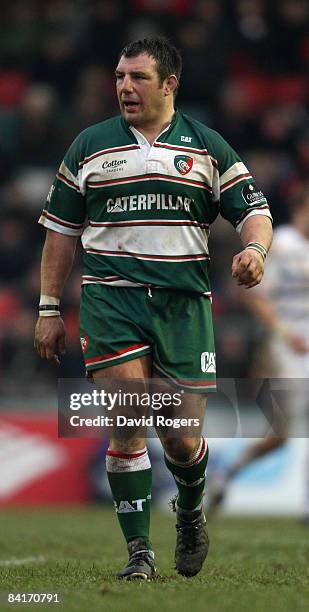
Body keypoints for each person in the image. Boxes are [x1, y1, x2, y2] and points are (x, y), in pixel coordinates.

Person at [34, 36, 273, 580]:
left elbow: (255, 213)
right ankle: (139, 552)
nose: (124, 86)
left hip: (183, 307)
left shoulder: (208, 148)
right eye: (120, 76)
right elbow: (60, 234)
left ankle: (190, 512)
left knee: (183, 440)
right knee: (127, 418)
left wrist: (255, 250)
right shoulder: (90, 147)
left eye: (138, 77)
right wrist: (49, 307)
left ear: (170, 84)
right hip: (110, 302)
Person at [207, 183, 309, 519]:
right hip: (285, 349)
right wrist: (282, 331)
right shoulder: (281, 244)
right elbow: (254, 294)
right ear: (300, 208)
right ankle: (226, 473)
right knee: (281, 435)